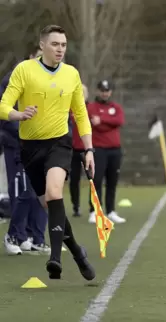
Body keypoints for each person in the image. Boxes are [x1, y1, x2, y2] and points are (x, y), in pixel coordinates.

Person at [0, 25, 95, 281]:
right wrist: (18, 114)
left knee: (54, 193)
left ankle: (55, 257)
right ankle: (76, 250)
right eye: (55, 44)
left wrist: (88, 149)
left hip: (59, 143)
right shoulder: (24, 70)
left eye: (63, 45)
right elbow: (3, 106)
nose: (60, 49)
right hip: (30, 147)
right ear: (42, 46)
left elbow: (81, 114)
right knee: (49, 204)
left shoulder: (71, 74)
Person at [1, 45, 50, 255]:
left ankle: (35, 237)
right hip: (18, 145)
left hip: (43, 145)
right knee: (22, 192)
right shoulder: (13, 78)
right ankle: (15, 235)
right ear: (30, 56)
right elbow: (4, 112)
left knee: (42, 193)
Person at [87, 80, 126, 224]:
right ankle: (94, 211)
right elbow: (95, 125)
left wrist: (102, 120)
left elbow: (119, 121)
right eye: (102, 90)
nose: (105, 93)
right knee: (96, 180)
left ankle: (111, 211)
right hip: (98, 149)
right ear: (98, 91)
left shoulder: (116, 107)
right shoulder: (91, 107)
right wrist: (108, 123)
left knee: (112, 181)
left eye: (107, 90)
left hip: (115, 149)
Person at [69, 83, 90, 217]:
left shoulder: (90, 109)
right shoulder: (68, 109)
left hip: (87, 149)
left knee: (93, 179)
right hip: (72, 150)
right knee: (74, 179)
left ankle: (94, 208)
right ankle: (76, 206)